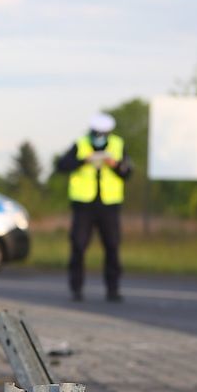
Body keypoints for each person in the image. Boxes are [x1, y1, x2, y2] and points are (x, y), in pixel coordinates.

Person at [56, 113, 133, 302]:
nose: (99, 136)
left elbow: (127, 172)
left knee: (112, 246)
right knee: (79, 245)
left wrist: (115, 165)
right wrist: (83, 161)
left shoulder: (118, 145)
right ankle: (76, 289)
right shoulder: (81, 144)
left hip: (109, 204)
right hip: (84, 205)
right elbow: (61, 165)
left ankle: (113, 290)